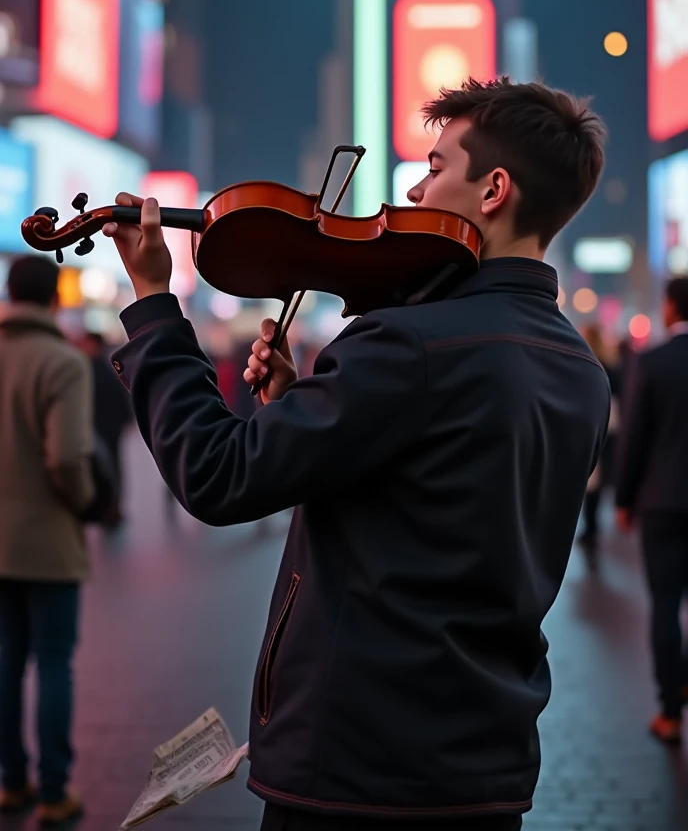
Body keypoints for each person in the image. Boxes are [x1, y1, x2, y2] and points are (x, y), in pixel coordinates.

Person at [104, 77, 610, 831]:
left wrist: (151, 305)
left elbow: (215, 474)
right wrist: (296, 407)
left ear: (494, 189)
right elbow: (436, 500)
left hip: (355, 768)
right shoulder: (580, 368)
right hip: (486, 766)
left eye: (437, 166)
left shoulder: (411, 342)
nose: (415, 184)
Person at [0, 256, 94, 825]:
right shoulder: (64, 362)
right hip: (49, 539)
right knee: (54, 662)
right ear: (55, 296)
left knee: (6, 660)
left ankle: (11, 782)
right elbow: (66, 456)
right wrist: (86, 504)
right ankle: (56, 791)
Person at [615, 276, 688, 745]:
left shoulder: (653, 362)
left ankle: (670, 711)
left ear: (669, 308)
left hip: (662, 502)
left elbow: (633, 438)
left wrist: (624, 499)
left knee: (665, 605)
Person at [80, 331, 133, 525]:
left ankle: (110, 507)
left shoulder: (92, 368)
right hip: (106, 426)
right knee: (110, 466)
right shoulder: (107, 366)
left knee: (108, 466)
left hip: (105, 427)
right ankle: (110, 507)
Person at [578, 323, 622, 547]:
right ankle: (592, 525)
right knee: (598, 478)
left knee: (591, 479)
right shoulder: (612, 366)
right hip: (611, 427)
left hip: (593, 424)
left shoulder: (587, 365)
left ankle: (591, 526)